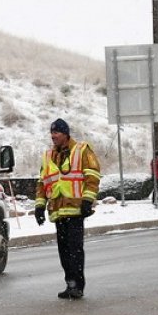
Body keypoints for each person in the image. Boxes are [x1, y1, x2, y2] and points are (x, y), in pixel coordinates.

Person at [34, 118, 101, 300]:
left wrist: (87, 200)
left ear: (66, 134)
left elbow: (92, 176)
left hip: (76, 210)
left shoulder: (81, 150)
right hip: (57, 211)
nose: (53, 136)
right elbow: (42, 183)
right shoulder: (48, 156)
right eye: (52, 133)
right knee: (64, 251)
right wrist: (39, 206)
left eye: (57, 132)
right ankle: (70, 283)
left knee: (75, 249)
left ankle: (78, 285)